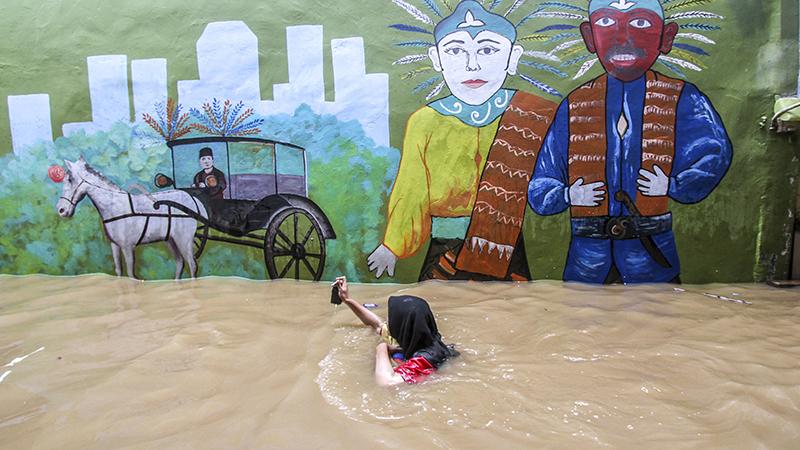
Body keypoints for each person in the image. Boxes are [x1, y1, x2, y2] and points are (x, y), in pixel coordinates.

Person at [527, 0, 732, 284]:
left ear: (666, 37)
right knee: (580, 322)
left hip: (652, 257)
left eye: (640, 23)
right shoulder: (574, 104)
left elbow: (715, 153)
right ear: (589, 36)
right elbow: (541, 184)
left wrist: (674, 186)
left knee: (658, 323)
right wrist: (567, 196)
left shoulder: (682, 98)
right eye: (607, 23)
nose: (622, 38)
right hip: (587, 262)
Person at [367, 0, 558, 282]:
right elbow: (411, 191)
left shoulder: (535, 114)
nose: (472, 64)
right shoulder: (426, 120)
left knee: (512, 316)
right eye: (455, 50)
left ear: (512, 57)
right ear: (437, 59)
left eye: (488, 49)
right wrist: (392, 246)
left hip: (506, 249)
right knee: (440, 316)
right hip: (445, 251)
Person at [332, 276, 458, 386]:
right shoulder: (419, 335)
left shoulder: (426, 358)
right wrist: (347, 299)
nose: (388, 321)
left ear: (403, 327)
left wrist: (382, 347)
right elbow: (377, 324)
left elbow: (386, 382)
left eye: (392, 319)